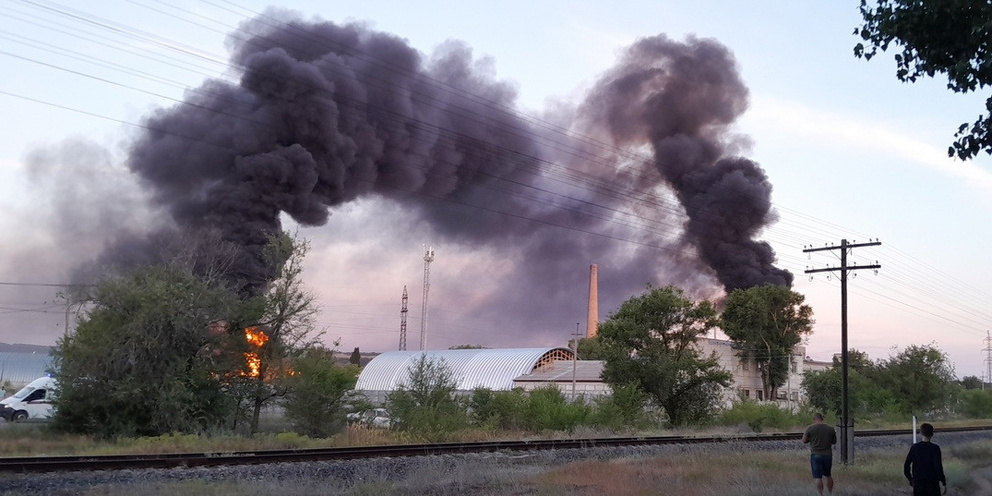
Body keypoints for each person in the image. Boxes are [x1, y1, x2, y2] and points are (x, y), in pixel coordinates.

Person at [904, 423, 946, 495]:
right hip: (932, 484)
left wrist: (910, 479)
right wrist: (943, 481)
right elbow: (938, 467)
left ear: (921, 433)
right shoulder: (935, 448)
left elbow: (906, 465)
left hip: (918, 483)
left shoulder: (914, 448)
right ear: (932, 434)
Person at [802, 412, 837, 495]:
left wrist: (811, 440)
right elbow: (834, 441)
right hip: (828, 455)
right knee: (828, 475)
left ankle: (820, 493)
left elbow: (804, 440)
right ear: (822, 419)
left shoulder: (810, 428)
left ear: (814, 419)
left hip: (816, 454)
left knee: (818, 477)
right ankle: (830, 492)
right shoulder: (830, 429)